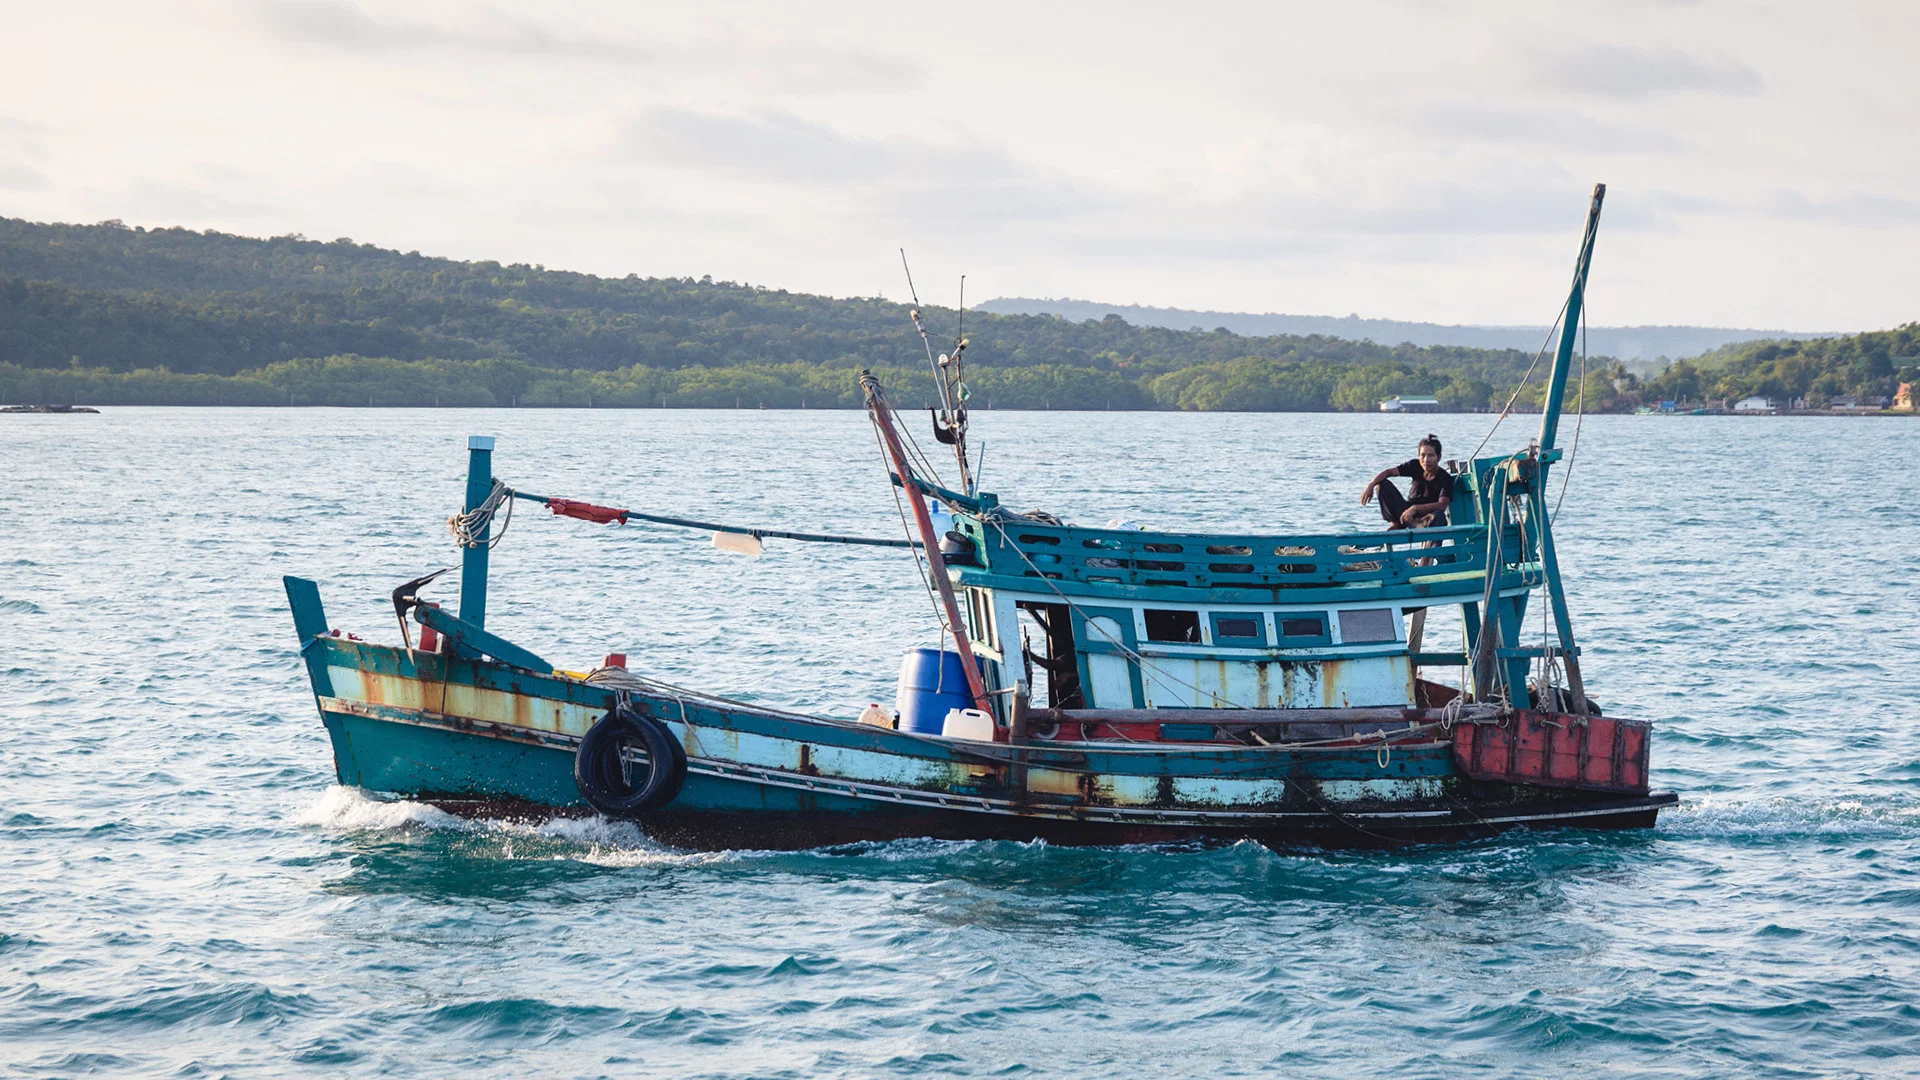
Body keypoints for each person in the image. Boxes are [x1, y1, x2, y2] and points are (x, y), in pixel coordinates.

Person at [1361, 434, 1452, 530]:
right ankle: (1396, 523)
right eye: (1423, 455)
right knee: (1381, 485)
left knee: (1439, 516)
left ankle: (1432, 544)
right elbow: (1389, 472)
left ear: (1439, 457)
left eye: (1431, 456)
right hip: (1406, 513)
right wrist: (1371, 485)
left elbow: (1442, 505)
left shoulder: (1445, 478)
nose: (1426, 460)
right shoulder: (1415, 465)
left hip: (1425, 518)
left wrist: (1416, 508)